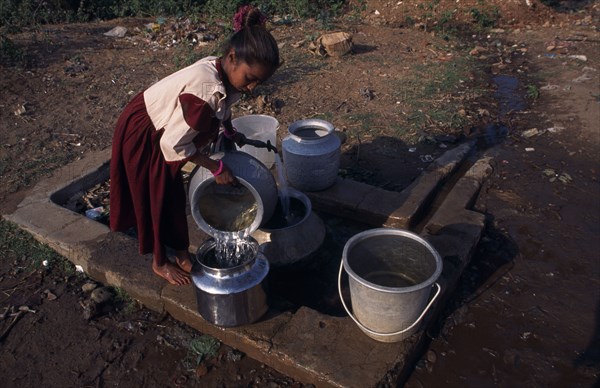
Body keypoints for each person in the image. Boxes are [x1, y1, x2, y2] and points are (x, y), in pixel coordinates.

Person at [109, 6, 280, 285]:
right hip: (146, 133)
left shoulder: (223, 72)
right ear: (232, 58)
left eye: (258, 83)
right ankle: (160, 262)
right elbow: (173, 144)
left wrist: (230, 131)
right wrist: (215, 167)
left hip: (165, 130)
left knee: (173, 196)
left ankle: (181, 252)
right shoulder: (203, 92)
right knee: (155, 198)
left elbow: (224, 105)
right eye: (250, 79)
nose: (251, 88)